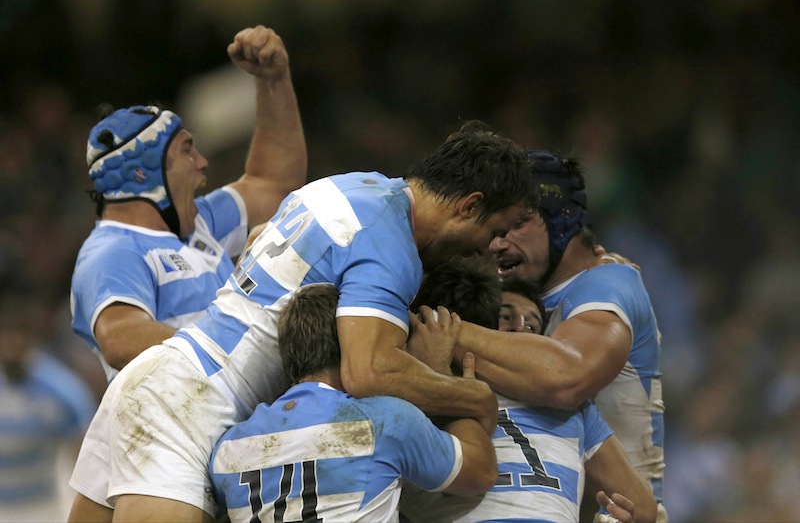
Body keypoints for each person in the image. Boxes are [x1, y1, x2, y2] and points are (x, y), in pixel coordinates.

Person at [70, 118, 536, 522]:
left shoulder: (350, 186)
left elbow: (255, 237)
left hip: (160, 376)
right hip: (192, 405)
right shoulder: (389, 242)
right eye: (493, 231)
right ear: (470, 205)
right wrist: (471, 397)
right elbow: (369, 370)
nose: (487, 249)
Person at [66, 25, 307, 522]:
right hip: (167, 432)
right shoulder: (111, 250)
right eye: (186, 150)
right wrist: (244, 346)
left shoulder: (201, 225)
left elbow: (273, 180)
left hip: (194, 426)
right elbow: (119, 336)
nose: (202, 164)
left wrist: (274, 82)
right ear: (140, 174)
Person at [454, 150, 666, 521]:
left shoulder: (605, 284)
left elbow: (565, 379)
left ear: (562, 222)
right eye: (494, 229)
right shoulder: (513, 291)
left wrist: (432, 330)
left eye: (514, 225)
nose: (496, 243)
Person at [209, 283, 497, 522]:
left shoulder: (226, 449)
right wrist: (445, 378)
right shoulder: (384, 422)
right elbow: (480, 472)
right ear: (353, 346)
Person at [400, 256, 656, 523]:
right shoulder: (425, 381)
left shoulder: (573, 408)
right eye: (505, 316)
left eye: (532, 325)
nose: (520, 327)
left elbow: (642, 510)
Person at [0, 295, 96, 522]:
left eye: (20, 335)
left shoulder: (62, 390)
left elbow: (85, 451)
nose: (12, 343)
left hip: (42, 508)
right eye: (5, 335)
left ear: (33, 338)